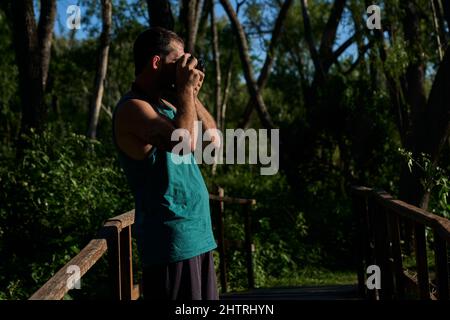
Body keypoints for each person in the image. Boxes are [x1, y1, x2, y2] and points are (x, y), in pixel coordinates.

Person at [112, 27, 219, 300]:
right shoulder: (133, 108)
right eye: (178, 61)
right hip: (172, 240)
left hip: (197, 236)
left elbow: (213, 142)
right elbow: (184, 143)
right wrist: (184, 89)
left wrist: (190, 95)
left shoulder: (170, 106)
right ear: (157, 62)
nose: (184, 68)